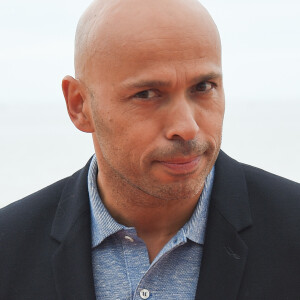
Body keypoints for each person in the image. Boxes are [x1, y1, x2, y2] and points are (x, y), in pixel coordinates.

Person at [1, 0, 300, 299]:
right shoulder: (9, 247)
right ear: (79, 105)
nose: (187, 127)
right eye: (147, 94)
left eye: (203, 87)